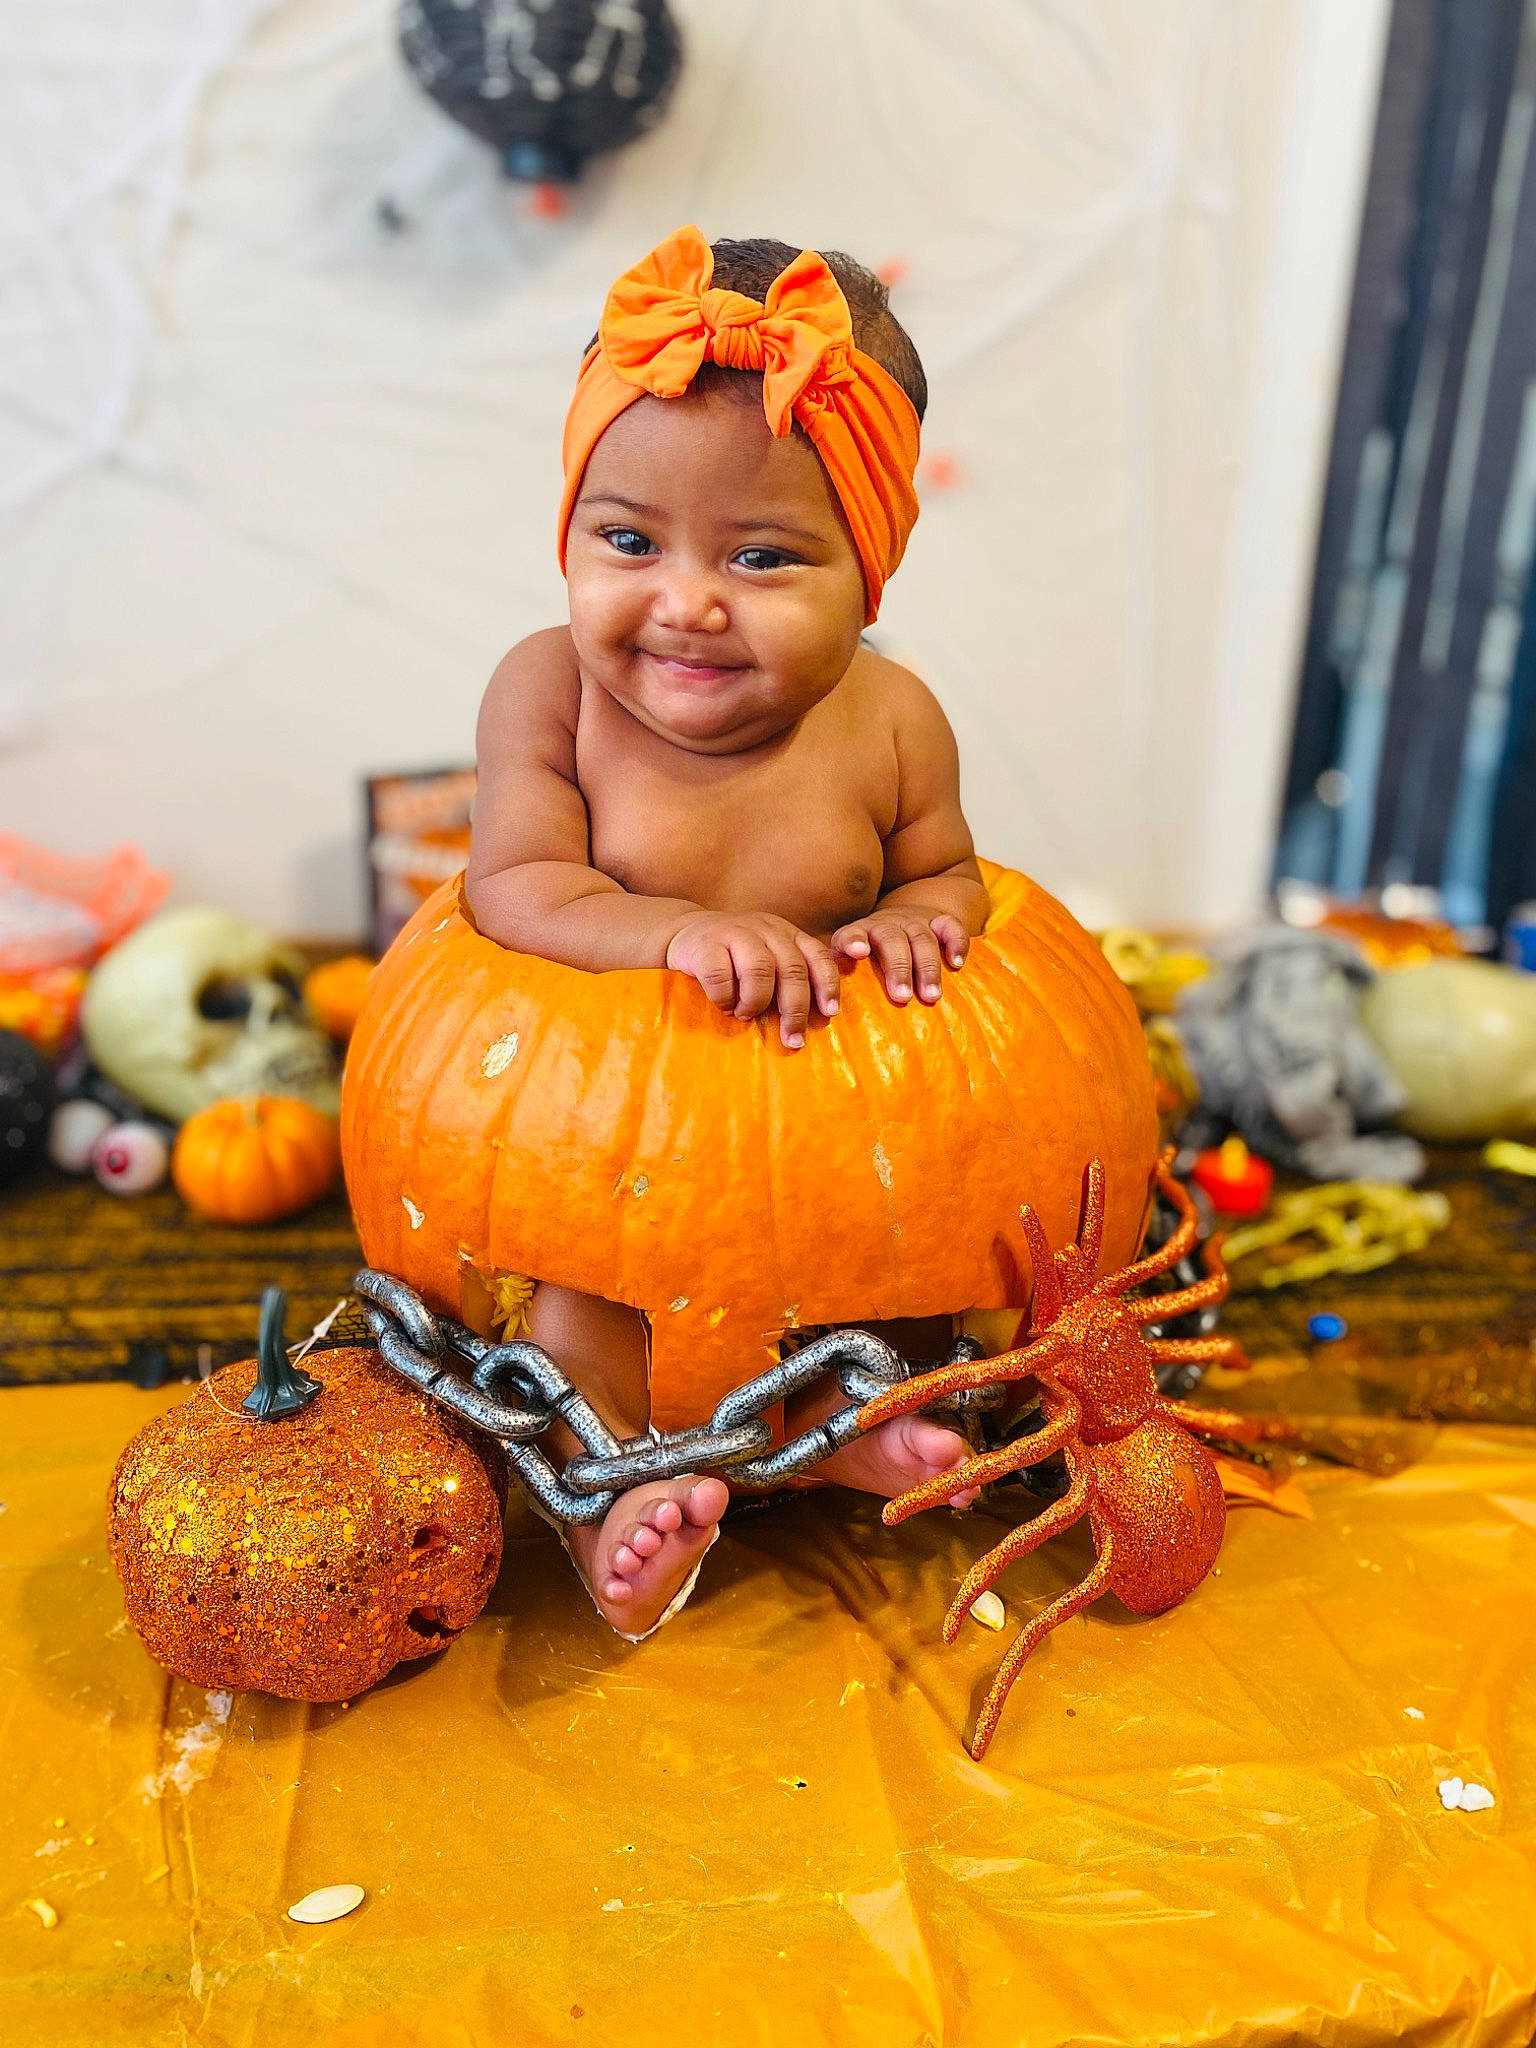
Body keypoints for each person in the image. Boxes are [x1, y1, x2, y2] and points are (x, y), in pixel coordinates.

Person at [467, 225, 990, 1637]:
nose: (686, 600)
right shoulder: (546, 695)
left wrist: (916, 925)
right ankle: (608, 1494)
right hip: (602, 1160)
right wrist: (669, 934)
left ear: (867, 575)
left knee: (894, 1285)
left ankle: (839, 1413)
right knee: (578, 1322)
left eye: (763, 557)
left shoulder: (891, 723)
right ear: (570, 530)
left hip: (826, 1142)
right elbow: (512, 889)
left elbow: (950, 876)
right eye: (627, 540)